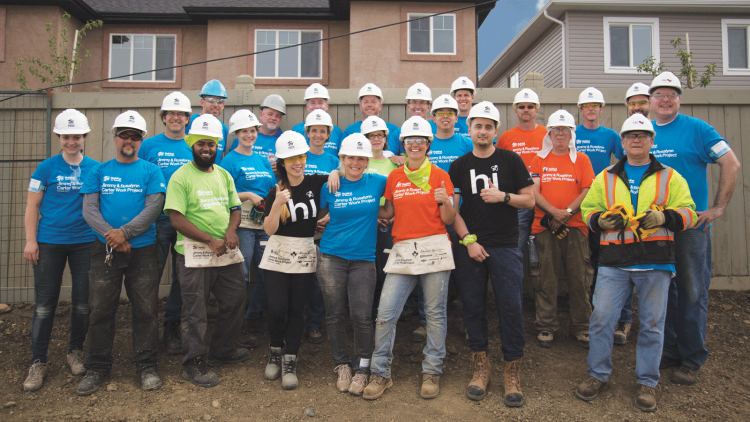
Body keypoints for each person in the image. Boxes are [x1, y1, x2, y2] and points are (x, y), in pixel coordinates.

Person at [576, 115, 697, 412]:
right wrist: (598, 220)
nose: (636, 140)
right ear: (623, 141)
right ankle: (598, 374)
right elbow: (587, 210)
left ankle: (647, 381)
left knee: (652, 325)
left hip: (655, 261)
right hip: (614, 261)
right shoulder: (605, 176)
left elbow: (690, 213)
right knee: (602, 319)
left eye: (643, 135)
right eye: (631, 135)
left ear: (652, 141)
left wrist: (665, 217)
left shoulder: (670, 176)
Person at [647, 71, 740, 386]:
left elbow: (732, 163)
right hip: (657, 227)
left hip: (689, 227)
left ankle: (692, 357)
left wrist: (717, 208)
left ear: (679, 100)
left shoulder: (698, 129)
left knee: (691, 290)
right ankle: (670, 349)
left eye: (671, 94)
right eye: (659, 94)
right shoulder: (644, 133)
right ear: (650, 101)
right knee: (663, 289)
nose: (665, 99)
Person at [449, 102, 535, 407]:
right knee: (473, 307)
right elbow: (452, 212)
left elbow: (530, 200)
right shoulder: (458, 165)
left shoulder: (511, 160)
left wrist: (504, 197)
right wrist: (468, 241)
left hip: (506, 246)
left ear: (495, 131)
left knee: (511, 308)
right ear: (469, 129)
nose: (483, 131)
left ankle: (512, 372)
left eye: (488, 126)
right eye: (477, 126)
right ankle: (480, 367)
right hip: (471, 247)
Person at [363, 116, 456, 400]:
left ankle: (432, 370)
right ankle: (380, 373)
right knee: (385, 314)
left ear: (428, 145)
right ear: (403, 144)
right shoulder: (394, 176)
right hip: (403, 250)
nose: (415, 144)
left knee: (436, 315)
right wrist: (360, 210)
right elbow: (389, 213)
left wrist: (445, 201)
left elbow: (449, 219)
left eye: (420, 140)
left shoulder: (441, 176)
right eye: (410, 140)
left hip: (434, 248)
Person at [77, 110, 166, 395]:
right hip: (105, 251)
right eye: (124, 135)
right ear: (115, 138)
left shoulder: (152, 171)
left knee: (146, 310)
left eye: (135, 136)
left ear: (141, 141)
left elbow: (154, 207)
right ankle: (97, 367)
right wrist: (113, 238)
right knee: (101, 310)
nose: (129, 140)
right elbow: (89, 210)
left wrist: (125, 233)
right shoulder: (98, 171)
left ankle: (146, 365)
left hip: (143, 251)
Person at [164, 114, 249, 388]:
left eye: (211, 144)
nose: (206, 148)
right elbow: (176, 218)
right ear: (192, 145)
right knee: (195, 310)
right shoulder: (181, 177)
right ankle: (194, 362)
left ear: (216, 147)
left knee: (235, 299)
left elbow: (235, 209)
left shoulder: (223, 175)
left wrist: (231, 230)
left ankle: (223, 350)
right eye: (201, 143)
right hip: (193, 253)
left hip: (225, 251)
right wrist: (209, 240)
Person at [22, 109, 99, 392]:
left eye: (76, 136)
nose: (71, 142)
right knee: (44, 306)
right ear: (59, 137)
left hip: (84, 242)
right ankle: (38, 361)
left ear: (85, 137)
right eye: (66, 137)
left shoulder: (95, 168)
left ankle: (75, 351)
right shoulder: (46, 168)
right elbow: (32, 206)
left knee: (82, 302)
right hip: (49, 242)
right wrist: (31, 241)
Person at [258, 131, 335, 390]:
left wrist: (336, 173)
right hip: (278, 253)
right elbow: (268, 229)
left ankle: (291, 358)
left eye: (300, 156)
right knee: (278, 307)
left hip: (304, 252)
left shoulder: (316, 183)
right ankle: (275, 352)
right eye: (291, 158)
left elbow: (341, 183)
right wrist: (277, 203)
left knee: (296, 309)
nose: (297, 162)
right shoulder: (276, 190)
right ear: (282, 162)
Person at [317, 134, 388, 396]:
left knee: (361, 315)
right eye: (350, 158)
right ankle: (342, 365)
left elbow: (402, 183)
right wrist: (333, 172)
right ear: (342, 159)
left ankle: (362, 368)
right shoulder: (329, 185)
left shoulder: (378, 181)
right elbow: (317, 211)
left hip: (363, 259)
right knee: (334, 313)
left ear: (368, 161)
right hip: (331, 255)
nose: (355, 162)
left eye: (361, 158)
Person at [530, 110, 595, 350]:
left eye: (565, 130)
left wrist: (566, 213)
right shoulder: (539, 160)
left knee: (579, 278)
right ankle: (546, 326)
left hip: (575, 227)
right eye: (556, 129)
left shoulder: (582, 160)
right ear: (549, 133)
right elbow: (533, 192)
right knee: (545, 277)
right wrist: (553, 213)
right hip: (544, 227)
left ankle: (582, 327)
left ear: (571, 134)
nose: (560, 133)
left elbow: (587, 190)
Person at [138, 91, 193, 355]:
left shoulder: (193, 145)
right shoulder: (148, 146)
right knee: (151, 277)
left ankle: (172, 328)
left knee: (182, 280)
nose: (175, 118)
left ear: (187, 118)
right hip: (157, 222)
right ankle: (147, 333)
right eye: (171, 113)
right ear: (163, 117)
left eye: (181, 114)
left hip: (185, 222)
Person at [220, 110, 277, 350]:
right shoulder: (229, 161)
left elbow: (272, 188)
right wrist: (248, 195)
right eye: (244, 131)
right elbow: (223, 193)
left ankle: (253, 316)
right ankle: (236, 326)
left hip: (263, 224)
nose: (249, 135)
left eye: (253, 130)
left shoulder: (262, 160)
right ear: (236, 133)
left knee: (268, 272)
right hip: (241, 224)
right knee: (240, 276)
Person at [613, 82, 652, 346]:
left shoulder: (669, 174)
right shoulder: (611, 173)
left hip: (657, 228)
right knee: (622, 271)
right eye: (632, 102)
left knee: (657, 280)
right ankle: (624, 320)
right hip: (623, 227)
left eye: (642, 101)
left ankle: (654, 329)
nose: (636, 140)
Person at [574, 87, 624, 293]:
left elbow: (625, 162)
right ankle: (579, 294)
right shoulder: (572, 133)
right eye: (586, 106)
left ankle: (597, 294)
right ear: (581, 109)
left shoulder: (611, 136)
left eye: (595, 105)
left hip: (602, 199)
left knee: (598, 248)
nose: (591, 109)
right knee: (577, 251)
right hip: (575, 197)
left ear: (601, 108)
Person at [301, 110, 340, 345]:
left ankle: (315, 323)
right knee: (299, 274)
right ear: (307, 132)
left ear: (328, 135)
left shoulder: (334, 161)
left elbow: (342, 193)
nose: (318, 134)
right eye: (314, 130)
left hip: (323, 225)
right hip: (298, 223)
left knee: (318, 278)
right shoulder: (298, 157)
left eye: (322, 131)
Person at [497, 88, 547, 253]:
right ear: (515, 110)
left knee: (545, 247)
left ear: (536, 109)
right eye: (522, 106)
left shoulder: (547, 134)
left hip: (544, 198)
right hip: (519, 201)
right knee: (517, 246)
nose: (526, 110)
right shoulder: (506, 137)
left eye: (530, 106)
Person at [361, 115, 399, 327]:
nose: (376, 139)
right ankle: (366, 314)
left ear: (385, 138)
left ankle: (384, 315)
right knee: (367, 271)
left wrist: (391, 215)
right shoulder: (359, 161)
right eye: (371, 136)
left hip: (389, 224)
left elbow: (398, 194)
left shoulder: (394, 163)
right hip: (366, 225)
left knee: (386, 271)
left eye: (379, 135)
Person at [341, 83, 401, 163]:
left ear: (380, 106)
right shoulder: (350, 130)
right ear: (360, 106)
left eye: (373, 102)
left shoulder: (392, 129)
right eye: (365, 102)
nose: (369, 105)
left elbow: (395, 155)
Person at [292, 83, 345, 156]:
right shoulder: (297, 130)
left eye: (320, 102)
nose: (317, 106)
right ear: (307, 106)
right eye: (312, 103)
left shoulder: (337, 131)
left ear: (326, 106)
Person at [186, 79, 229, 165]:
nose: (216, 105)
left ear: (223, 105)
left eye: (220, 101)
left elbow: (219, 157)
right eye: (211, 100)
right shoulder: (189, 122)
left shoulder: (223, 128)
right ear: (202, 102)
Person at [389, 83, 438, 156]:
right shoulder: (398, 133)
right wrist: (393, 158)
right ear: (408, 106)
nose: (418, 107)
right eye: (414, 102)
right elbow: (388, 155)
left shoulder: (438, 129)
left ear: (428, 107)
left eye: (422, 102)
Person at [243, 94, 286, 170]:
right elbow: (234, 159)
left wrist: (282, 169)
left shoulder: (285, 140)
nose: (273, 118)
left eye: (278, 116)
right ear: (261, 115)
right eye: (270, 114)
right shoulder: (245, 136)